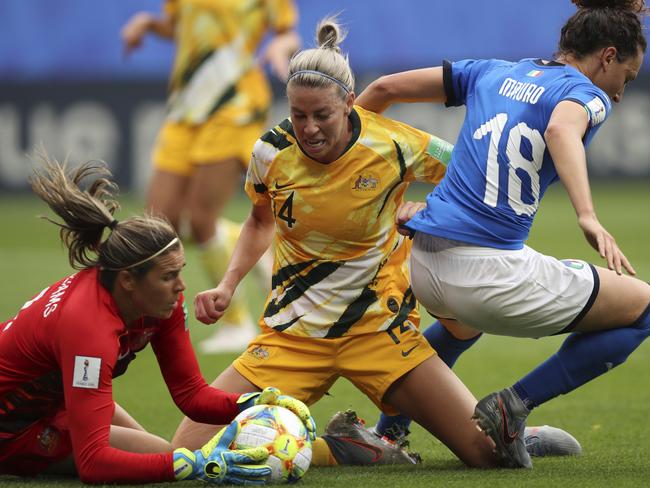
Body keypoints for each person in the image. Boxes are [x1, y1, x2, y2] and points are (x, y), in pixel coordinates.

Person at [171, 17, 580, 470]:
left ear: (349, 103)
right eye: (298, 114)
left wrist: (428, 211)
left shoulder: (396, 144)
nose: (308, 128)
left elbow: (474, 180)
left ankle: (517, 433)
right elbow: (257, 222)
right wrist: (228, 286)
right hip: (293, 335)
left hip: (379, 331)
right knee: (188, 451)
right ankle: (354, 450)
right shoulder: (269, 151)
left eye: (321, 114)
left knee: (488, 457)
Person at [356, 0, 649, 469]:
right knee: (642, 308)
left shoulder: (490, 71)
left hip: (425, 262)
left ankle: (386, 433)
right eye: (627, 79)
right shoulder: (585, 93)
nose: (618, 95)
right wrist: (588, 216)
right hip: (487, 275)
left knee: (460, 325)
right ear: (607, 56)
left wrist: (346, 176)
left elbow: (383, 89)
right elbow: (560, 129)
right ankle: (514, 405)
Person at [0, 157, 315, 484]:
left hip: (51, 399)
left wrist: (256, 401)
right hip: (11, 426)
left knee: (159, 456)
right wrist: (198, 464)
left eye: (179, 271)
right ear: (128, 281)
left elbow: (192, 396)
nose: (181, 286)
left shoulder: (161, 303)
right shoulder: (88, 327)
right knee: (160, 460)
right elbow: (93, 463)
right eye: (168, 276)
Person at [121, 0, 301, 353]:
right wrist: (147, 23)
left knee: (201, 220)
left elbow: (287, 33)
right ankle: (261, 252)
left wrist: (283, 46)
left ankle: (236, 323)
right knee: (159, 223)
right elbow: (181, 29)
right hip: (186, 107)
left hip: (234, 105)